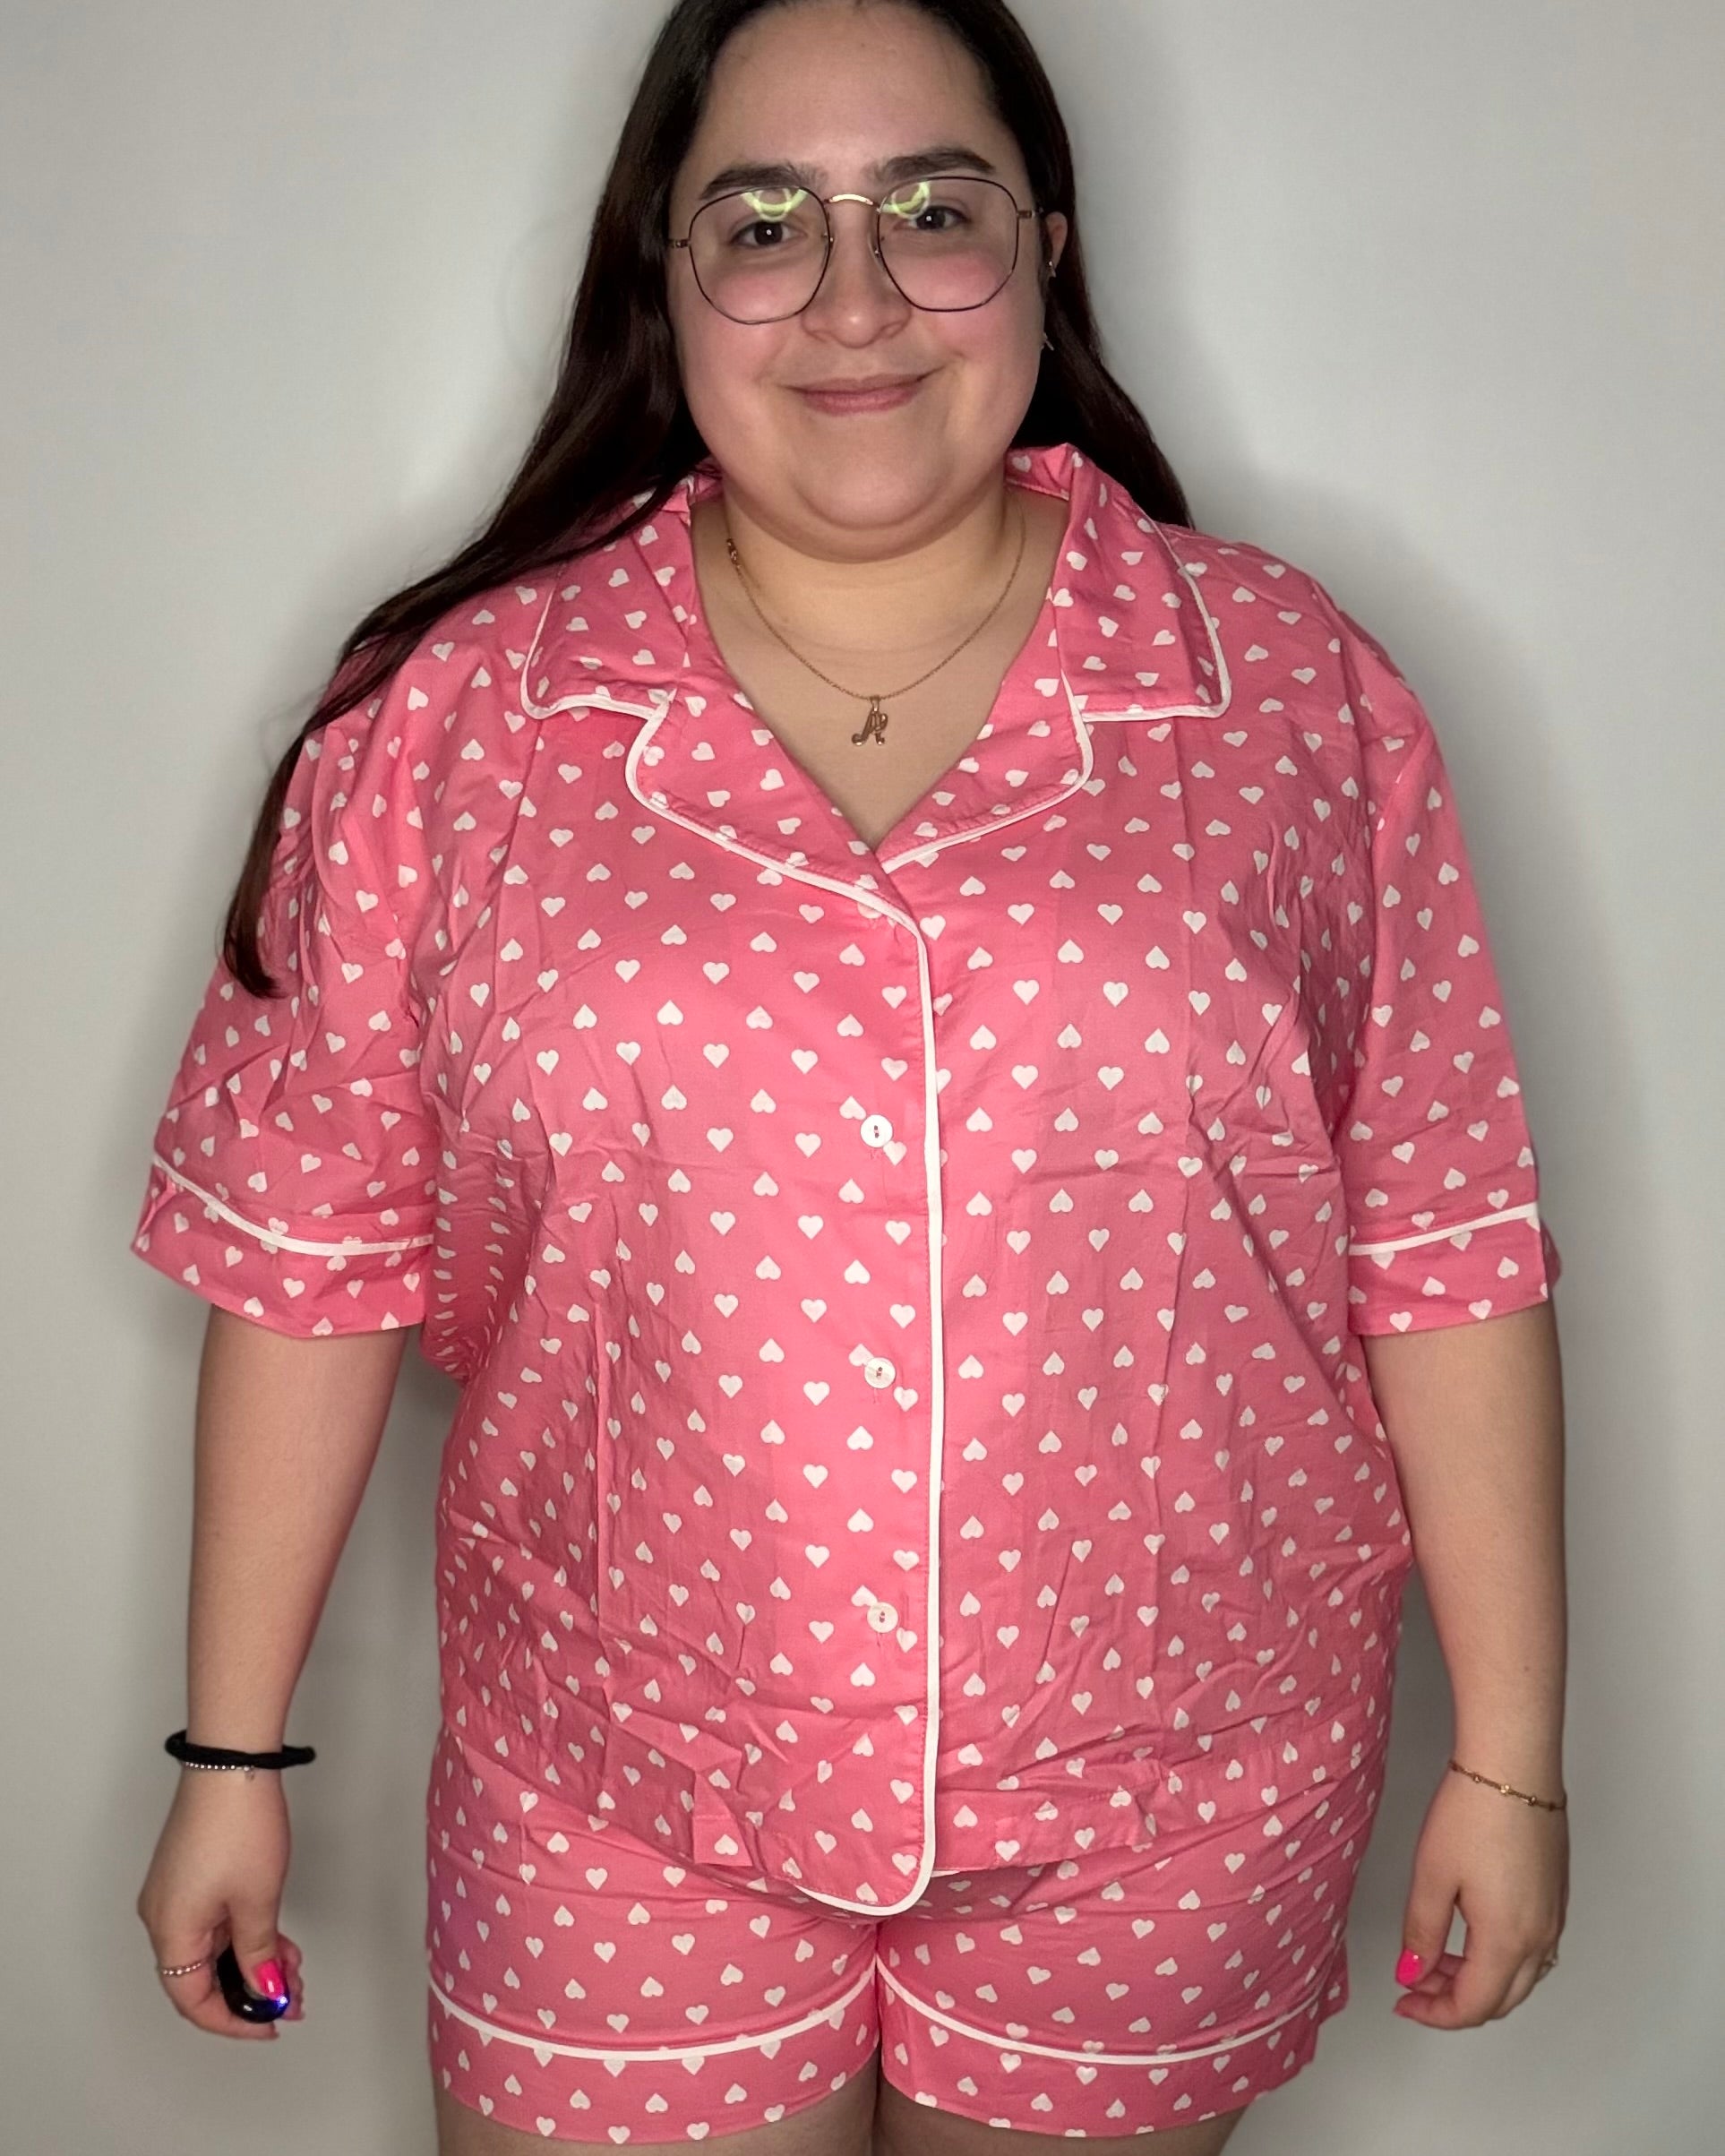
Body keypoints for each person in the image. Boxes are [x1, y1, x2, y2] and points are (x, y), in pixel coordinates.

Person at [131, 2, 1570, 2150]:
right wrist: (231, 1754)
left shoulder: (1285, 693)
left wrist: (1513, 1755)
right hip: (613, 1796)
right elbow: (309, 1259)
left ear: (1046, 248)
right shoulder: (459, 718)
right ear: (667, 276)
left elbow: (1442, 1239)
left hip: (1170, 1800)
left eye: (932, 208)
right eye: (764, 222)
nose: (857, 295)